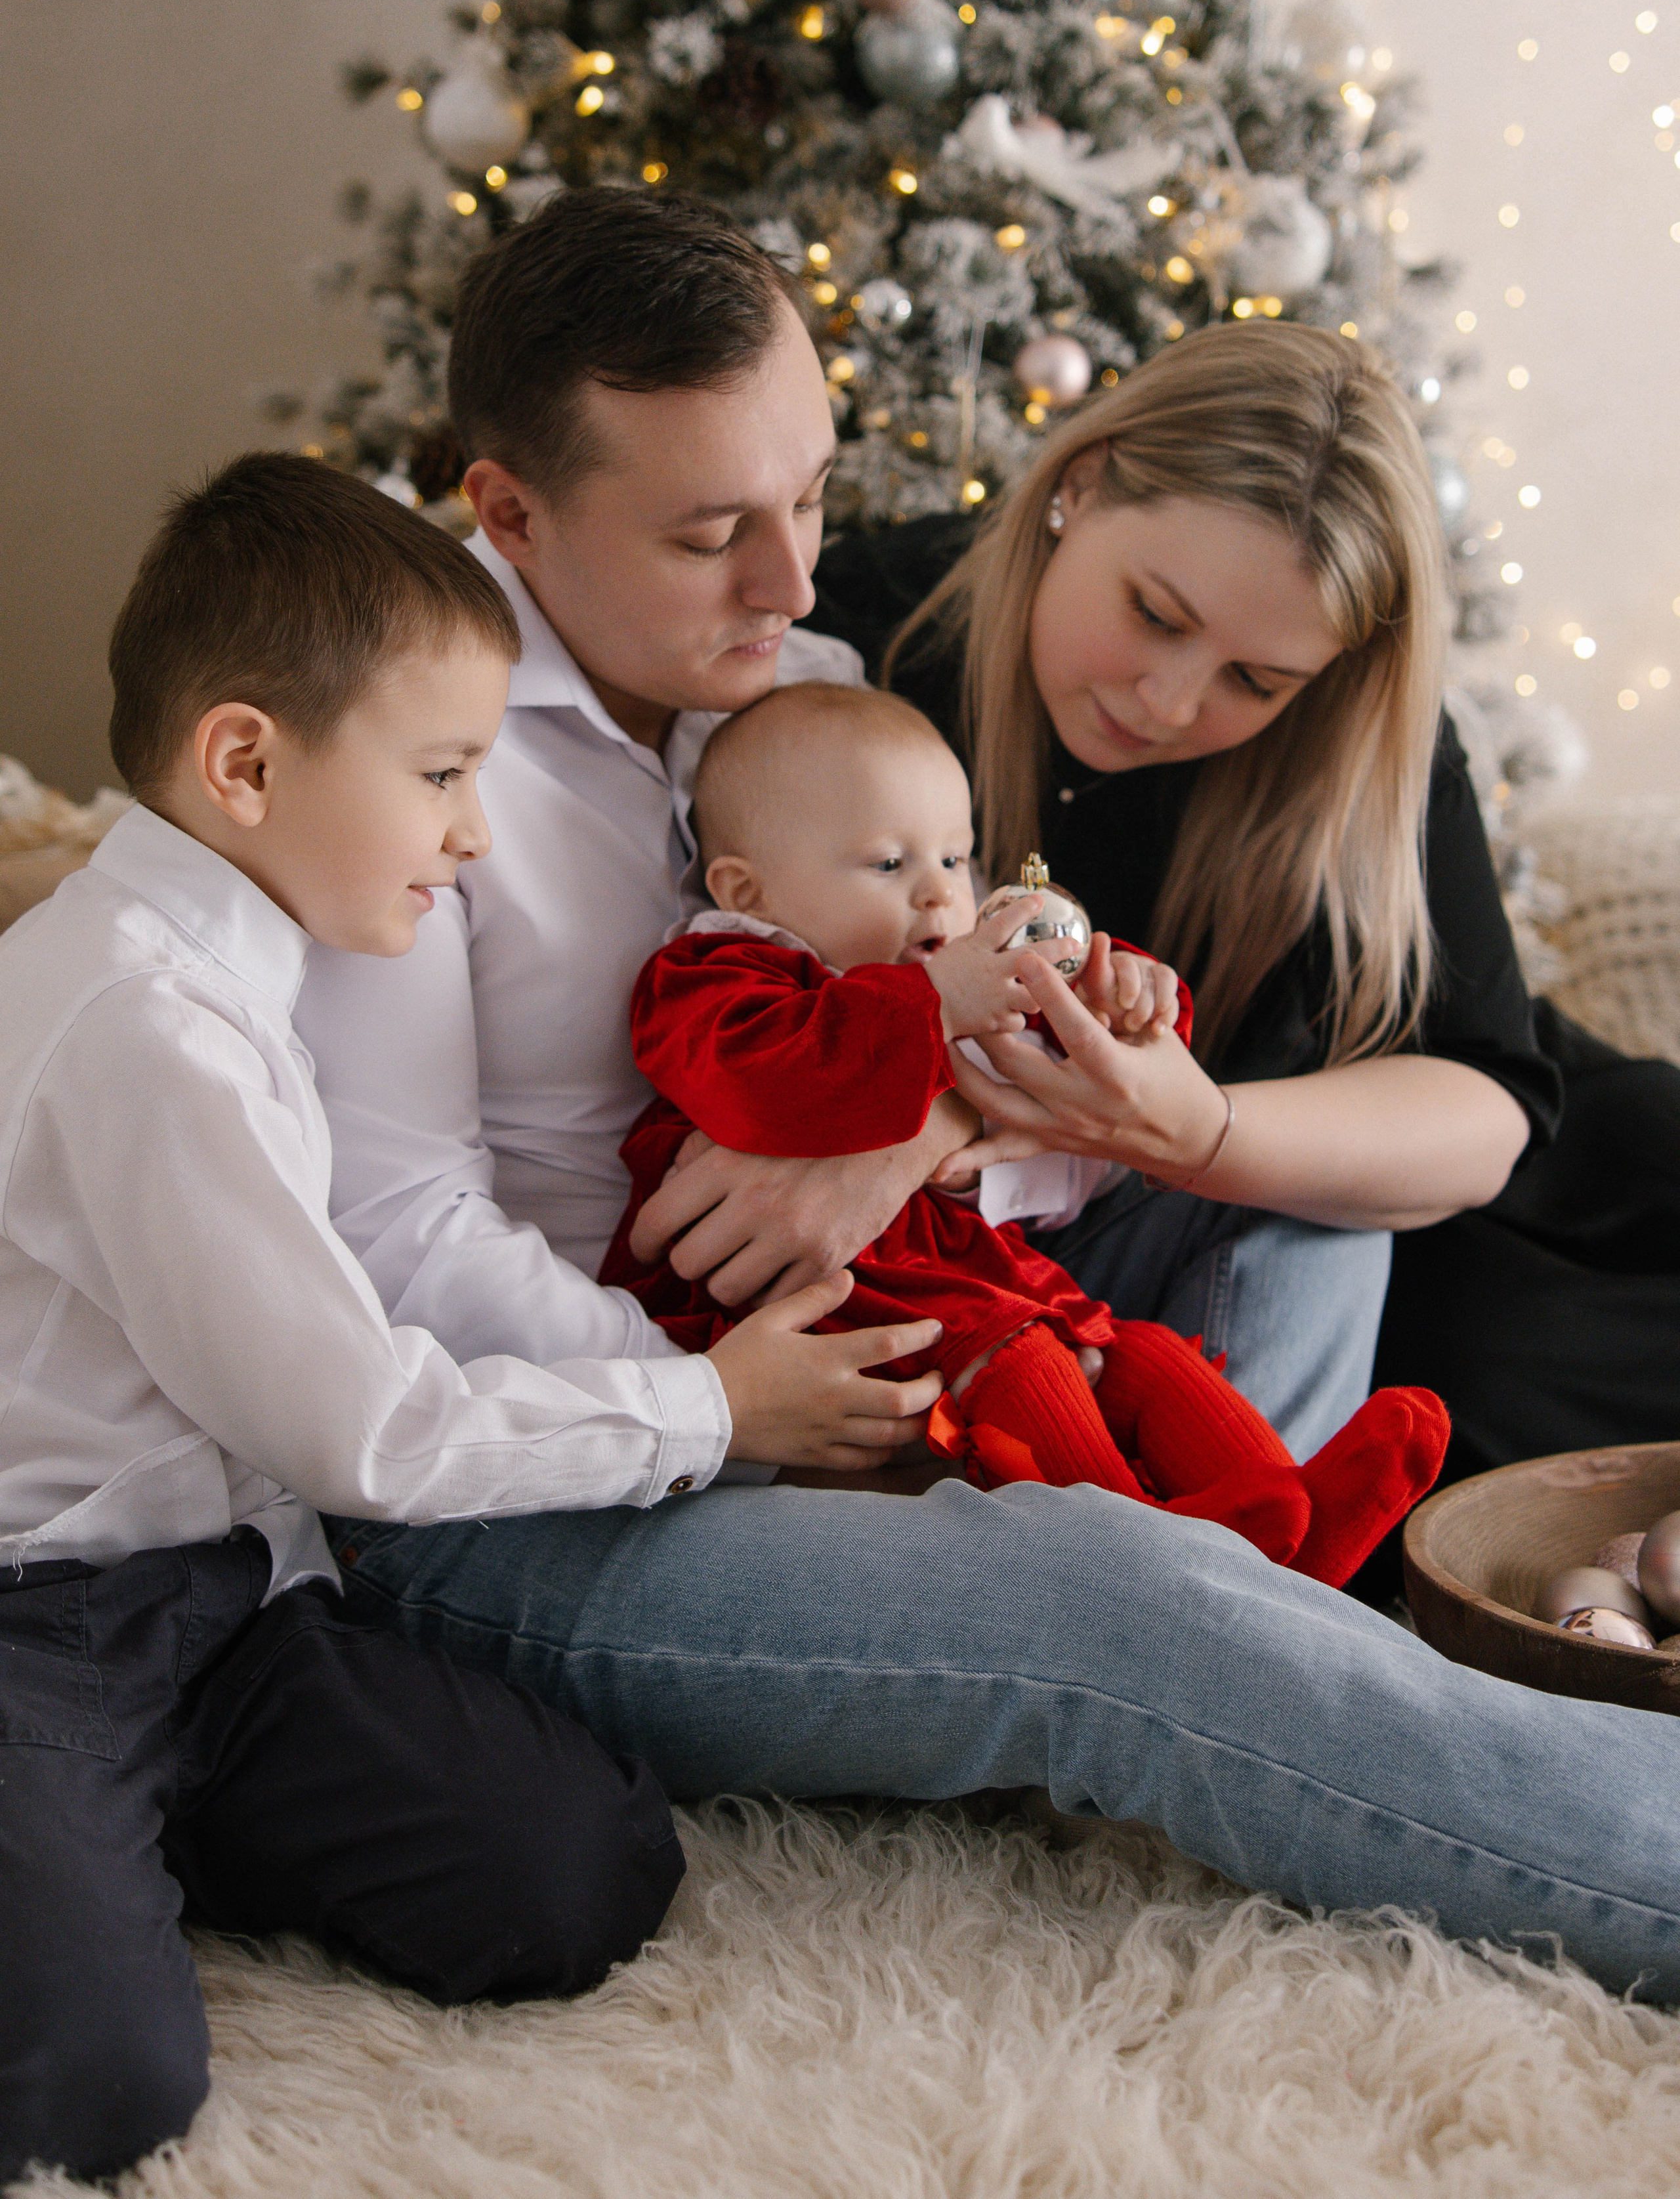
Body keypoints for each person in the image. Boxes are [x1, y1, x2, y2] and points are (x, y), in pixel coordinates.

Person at [297, 190, 1680, 2003]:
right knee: (1107, 1594)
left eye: (807, 499)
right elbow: (388, 1239)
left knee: (1289, 1192)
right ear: (511, 513)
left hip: (871, 1341)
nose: (795, 576)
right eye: (719, 529)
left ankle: (1234, 1586)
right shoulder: (396, 745)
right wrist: (717, 1401)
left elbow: (935, 982)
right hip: (546, 1478)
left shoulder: (798, 679)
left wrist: (971, 1097)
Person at [0, 454, 940, 2185]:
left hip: (233, 1615)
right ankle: (68, 1845)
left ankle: (102, 1838)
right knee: (89, 2084)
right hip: (42, 1616)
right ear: (244, 761)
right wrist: (709, 1408)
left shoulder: (241, 974)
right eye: (440, 773)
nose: (473, 830)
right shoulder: (147, 1022)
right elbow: (358, 1424)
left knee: (578, 1868)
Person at [602, 676, 1450, 1583]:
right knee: (1024, 1368)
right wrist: (937, 1002)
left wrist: (1123, 1001)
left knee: (1141, 1357)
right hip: (827, 1319)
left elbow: (1062, 1076)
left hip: (974, 1287)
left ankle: (1286, 1520)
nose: (939, 899)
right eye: (890, 865)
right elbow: (770, 1090)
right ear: (748, 886)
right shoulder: (715, 977)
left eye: (956, 861)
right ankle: (1145, 1572)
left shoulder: (942, 982)